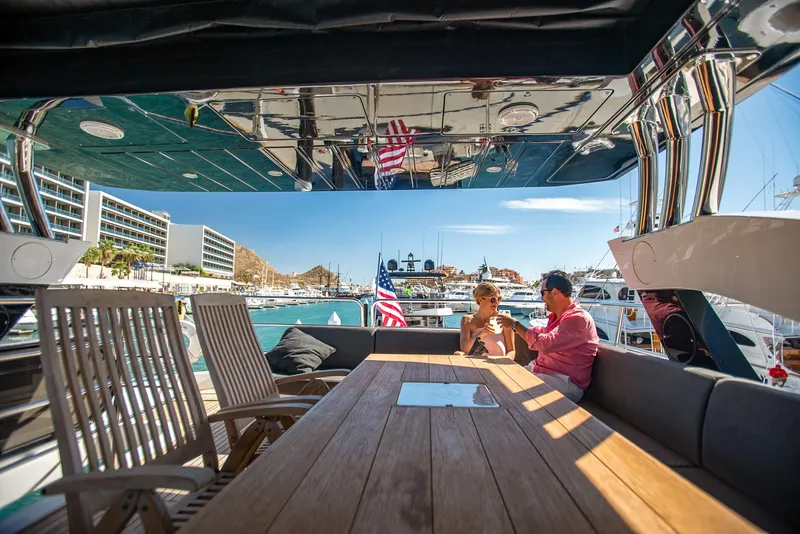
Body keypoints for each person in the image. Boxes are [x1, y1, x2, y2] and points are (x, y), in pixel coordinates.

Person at [497, 270, 598, 402]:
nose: (541, 298)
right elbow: (542, 332)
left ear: (555, 292)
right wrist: (511, 328)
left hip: (566, 382)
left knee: (510, 393)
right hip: (543, 373)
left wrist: (515, 325)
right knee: (500, 380)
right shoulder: (557, 317)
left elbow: (546, 344)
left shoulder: (578, 318)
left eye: (542, 293)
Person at [458, 282, 515, 357]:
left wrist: (505, 361)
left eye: (499, 299)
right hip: (475, 364)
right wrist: (481, 333)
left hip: (498, 364)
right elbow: (465, 349)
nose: (497, 302)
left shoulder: (504, 319)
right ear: (480, 299)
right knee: (457, 354)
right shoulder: (467, 320)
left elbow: (511, 351)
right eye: (493, 299)